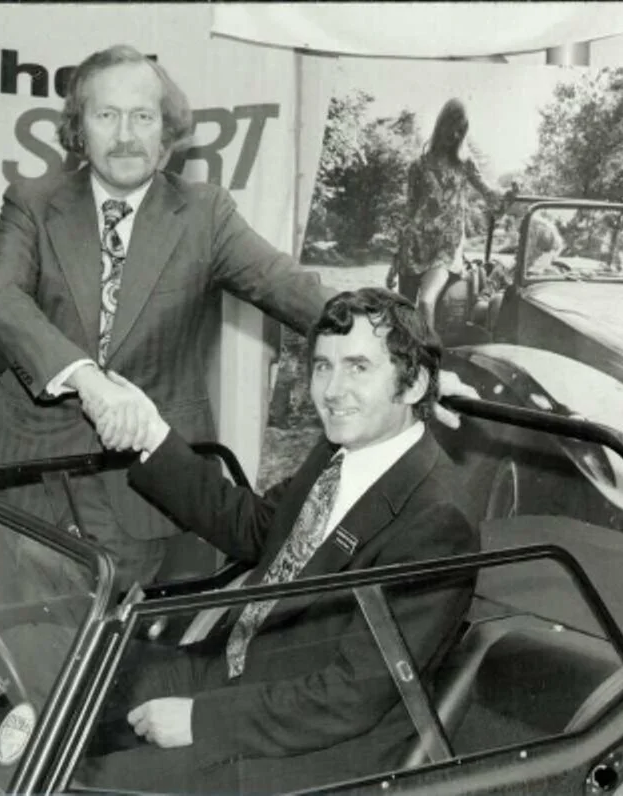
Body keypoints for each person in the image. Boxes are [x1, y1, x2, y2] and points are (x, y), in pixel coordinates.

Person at [75, 287, 479, 794]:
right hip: (241, 670)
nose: (332, 391)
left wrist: (202, 719)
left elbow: (351, 696)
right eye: (323, 366)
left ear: (414, 383)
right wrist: (151, 435)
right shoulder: (338, 450)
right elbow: (253, 527)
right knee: (70, 685)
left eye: (358, 368)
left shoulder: (437, 521)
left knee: (93, 785)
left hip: (314, 746)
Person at [0, 44, 332, 590]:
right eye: (106, 115)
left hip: (135, 482)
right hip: (27, 469)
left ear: (167, 130)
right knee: (0, 620)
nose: (125, 135)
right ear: (79, 128)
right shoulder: (32, 201)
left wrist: (406, 349)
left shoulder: (205, 213)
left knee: (110, 629)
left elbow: (292, 288)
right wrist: (88, 381)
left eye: (143, 116)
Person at [389, 99, 517, 333]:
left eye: (461, 130)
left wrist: (508, 195)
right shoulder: (418, 166)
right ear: (441, 125)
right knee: (403, 313)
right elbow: (409, 211)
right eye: (452, 128)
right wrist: (395, 259)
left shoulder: (465, 164)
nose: (455, 134)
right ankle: (407, 352)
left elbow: (491, 197)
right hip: (414, 245)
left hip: (445, 249)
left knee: (426, 302)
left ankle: (429, 354)